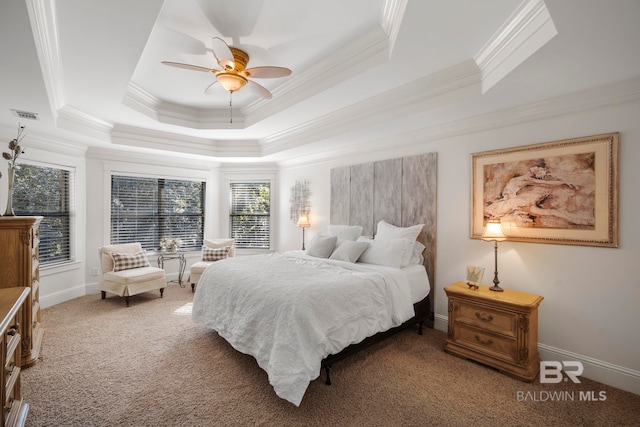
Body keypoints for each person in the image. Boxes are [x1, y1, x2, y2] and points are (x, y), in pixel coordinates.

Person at [485, 164, 592, 226]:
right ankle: (579, 220)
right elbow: (545, 183)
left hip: (519, 203)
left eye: (538, 169)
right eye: (539, 169)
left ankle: (579, 220)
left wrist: (564, 182)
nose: (537, 170)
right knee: (552, 212)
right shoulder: (525, 179)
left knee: (552, 212)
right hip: (518, 203)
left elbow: (545, 183)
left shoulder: (525, 180)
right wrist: (563, 182)